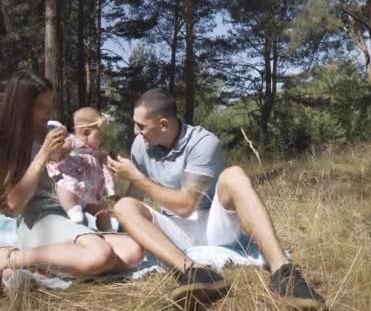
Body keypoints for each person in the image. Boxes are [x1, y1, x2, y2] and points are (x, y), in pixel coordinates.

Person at [107, 88, 325, 308]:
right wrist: (120, 228)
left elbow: (186, 205)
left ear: (163, 125)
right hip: (174, 228)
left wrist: (135, 176)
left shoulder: (203, 143)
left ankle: (283, 272)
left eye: (141, 126)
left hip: (213, 225)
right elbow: (137, 194)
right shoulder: (141, 146)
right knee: (124, 206)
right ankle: (194, 273)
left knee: (234, 175)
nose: (136, 131)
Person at [0, 70, 143, 295]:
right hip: (40, 220)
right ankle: (9, 257)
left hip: (70, 217)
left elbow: (78, 168)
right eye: (41, 107)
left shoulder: (54, 128)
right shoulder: (14, 143)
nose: (49, 111)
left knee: (133, 251)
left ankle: (39, 271)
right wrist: (43, 155)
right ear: (22, 108)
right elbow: (13, 205)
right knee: (101, 256)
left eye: (51, 104)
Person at [46, 107, 115, 230]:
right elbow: (61, 150)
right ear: (86, 132)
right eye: (99, 135)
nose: (102, 138)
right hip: (75, 179)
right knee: (65, 188)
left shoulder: (94, 149)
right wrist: (63, 148)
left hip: (91, 187)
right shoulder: (73, 141)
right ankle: (72, 209)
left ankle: (107, 228)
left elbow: (101, 158)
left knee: (102, 208)